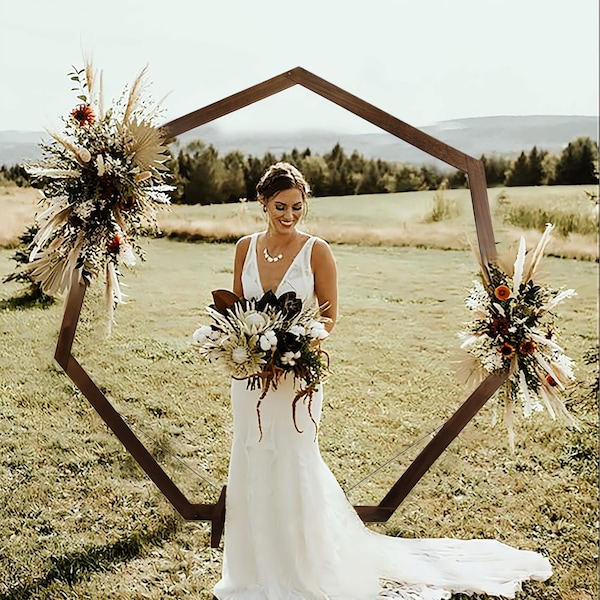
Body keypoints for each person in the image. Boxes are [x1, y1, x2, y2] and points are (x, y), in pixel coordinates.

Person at [213, 162, 552, 600]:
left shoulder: (317, 251)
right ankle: (253, 567)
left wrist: (286, 347)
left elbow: (329, 318)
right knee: (252, 455)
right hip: (250, 379)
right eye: (280, 207)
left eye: (298, 206)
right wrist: (249, 346)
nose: (289, 215)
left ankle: (302, 565)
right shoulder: (245, 247)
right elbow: (237, 307)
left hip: (297, 378)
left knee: (294, 458)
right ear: (262, 202)